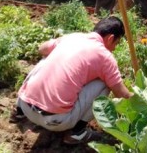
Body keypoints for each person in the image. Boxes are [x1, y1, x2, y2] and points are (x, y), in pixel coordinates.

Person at [16, 16, 132, 145]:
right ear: (110, 38)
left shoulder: (73, 37)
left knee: (47, 59)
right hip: (55, 122)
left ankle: (18, 112)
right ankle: (77, 133)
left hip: (26, 108)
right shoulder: (105, 57)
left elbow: (42, 49)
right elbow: (121, 94)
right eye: (116, 43)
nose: (115, 48)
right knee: (104, 83)